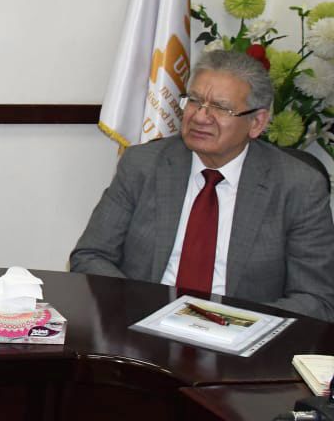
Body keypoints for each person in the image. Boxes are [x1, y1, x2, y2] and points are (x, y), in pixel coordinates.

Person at [71, 49, 334, 320]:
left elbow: (316, 299)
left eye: (221, 108)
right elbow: (90, 255)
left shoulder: (299, 186)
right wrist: (143, 307)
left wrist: (237, 324)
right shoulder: (144, 164)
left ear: (257, 122)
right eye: (194, 101)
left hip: (240, 335)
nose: (199, 116)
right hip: (143, 323)